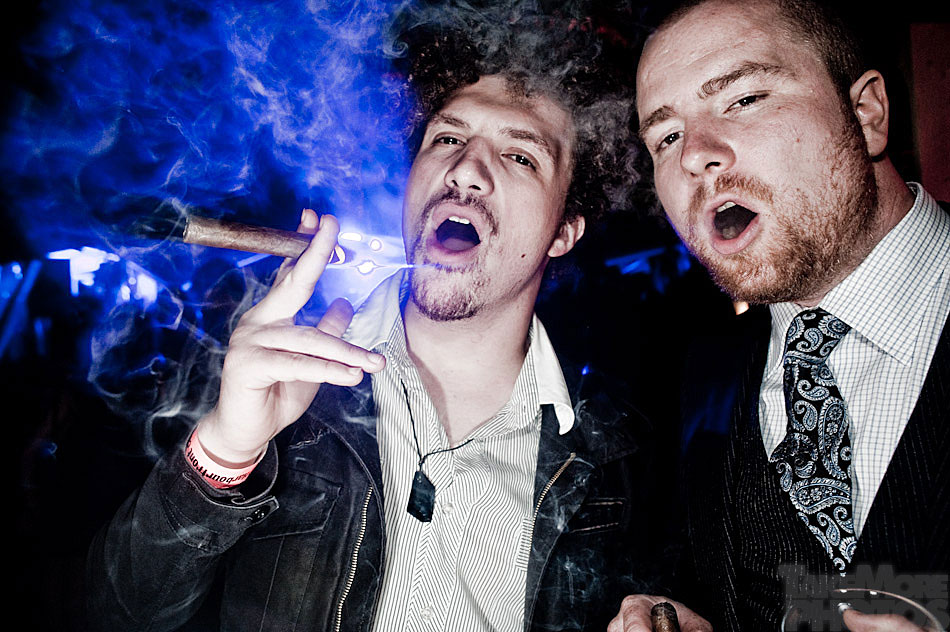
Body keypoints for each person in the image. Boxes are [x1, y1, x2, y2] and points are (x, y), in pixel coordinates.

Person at [86, 16, 667, 632]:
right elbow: (113, 613)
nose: (467, 169)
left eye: (520, 156)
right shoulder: (274, 375)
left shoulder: (617, 453)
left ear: (564, 232)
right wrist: (225, 453)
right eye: (447, 138)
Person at [610, 0, 950, 630]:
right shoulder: (702, 372)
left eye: (742, 99)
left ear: (867, 114)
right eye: (666, 137)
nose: (693, 156)